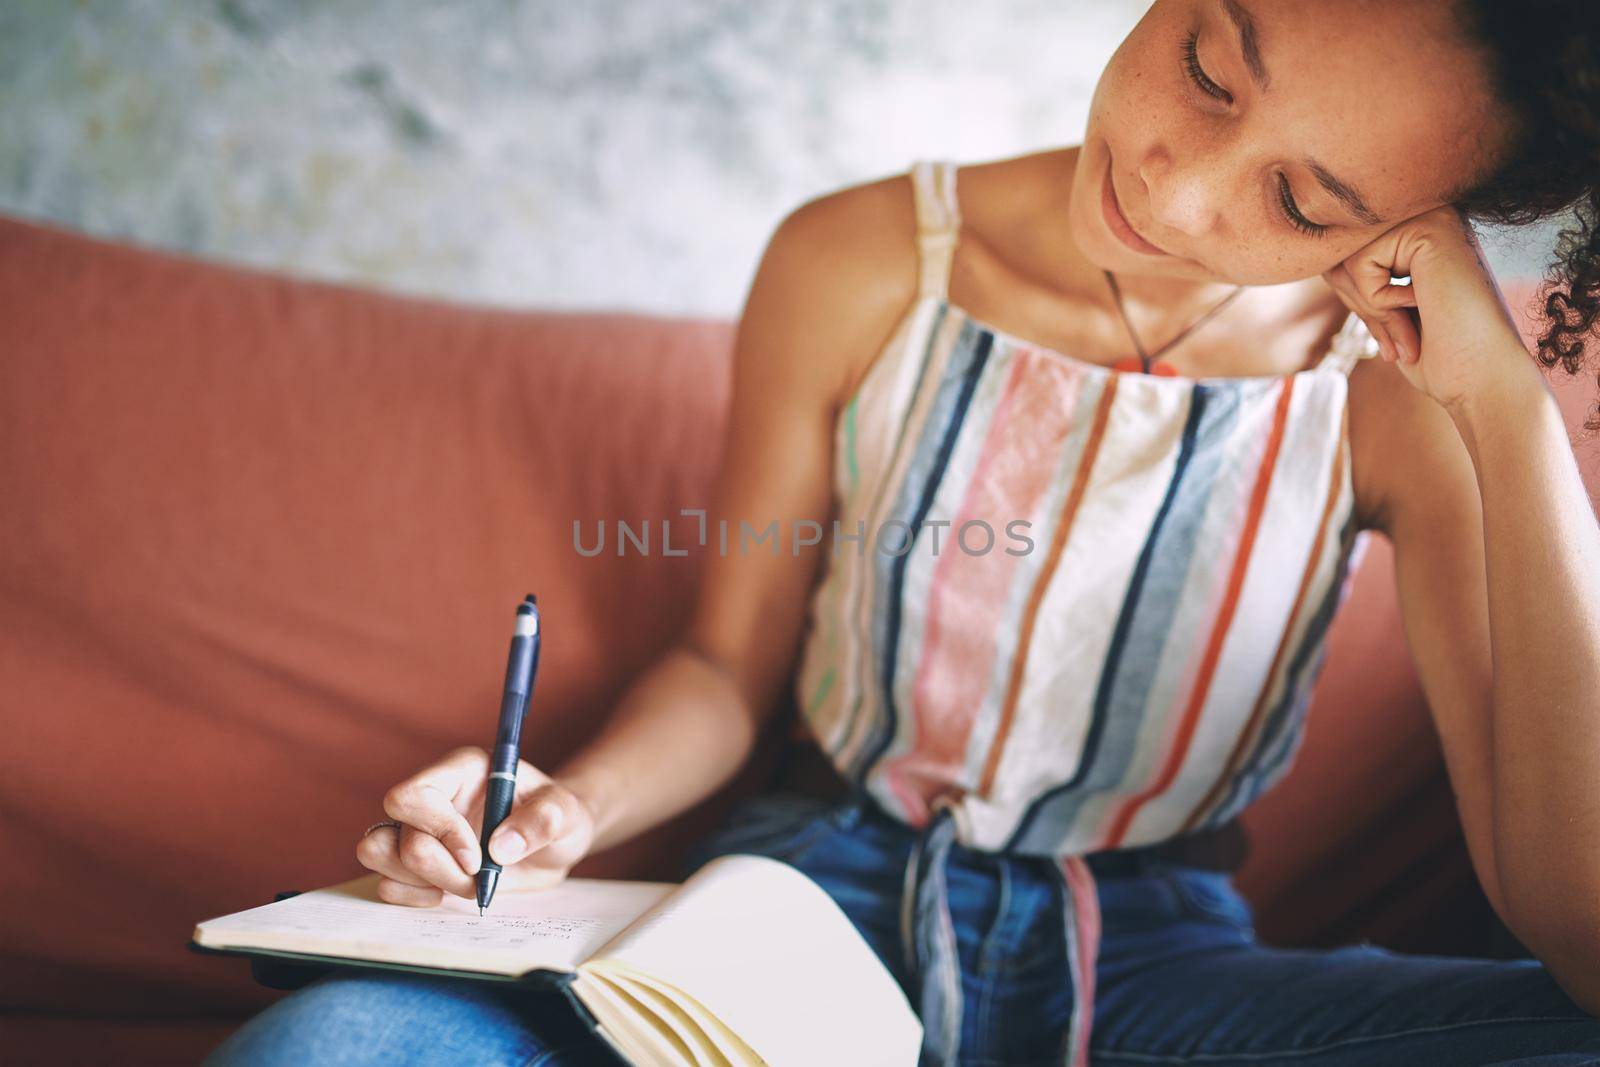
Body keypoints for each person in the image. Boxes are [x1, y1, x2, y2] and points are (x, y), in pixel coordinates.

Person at [206, 1, 1600, 1064]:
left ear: (1414, 228)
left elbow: (1580, 938)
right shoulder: (859, 260)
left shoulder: (1399, 402)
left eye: (1302, 202)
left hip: (1149, 967)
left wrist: (1510, 412)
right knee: (334, 1044)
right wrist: (565, 816)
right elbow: (719, 672)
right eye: (1208, 66)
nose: (1173, 194)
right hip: (804, 911)